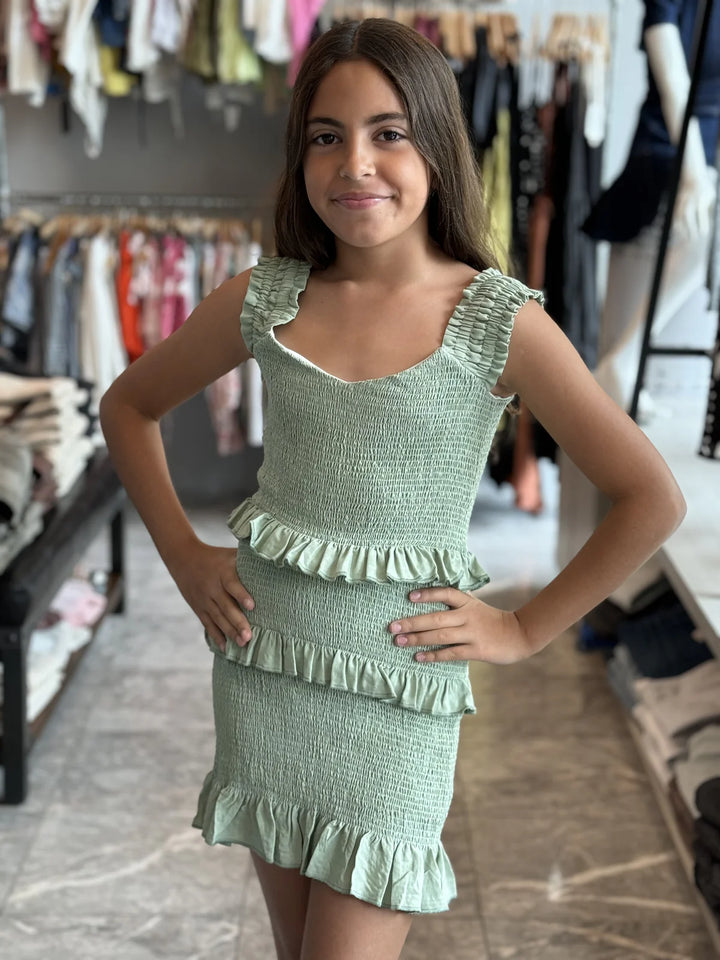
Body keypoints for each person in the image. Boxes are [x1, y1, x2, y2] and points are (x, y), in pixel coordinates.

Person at [99, 18, 686, 960]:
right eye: (326, 136)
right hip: (265, 668)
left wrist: (523, 630)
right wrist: (183, 555)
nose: (355, 164)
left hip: (398, 694)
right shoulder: (268, 298)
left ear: (438, 146)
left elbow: (651, 495)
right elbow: (128, 406)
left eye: (389, 132)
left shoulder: (497, 321)